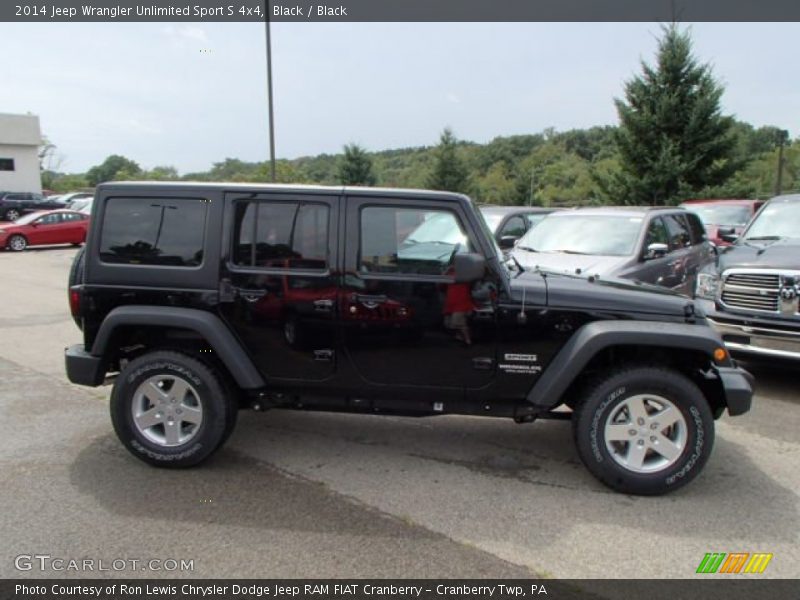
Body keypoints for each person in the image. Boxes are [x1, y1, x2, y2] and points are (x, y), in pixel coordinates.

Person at [443, 279, 475, 345]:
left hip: (460, 304)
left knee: (459, 323)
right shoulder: (448, 274)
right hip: (451, 305)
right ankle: (460, 337)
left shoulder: (464, 277)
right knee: (448, 324)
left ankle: (467, 340)